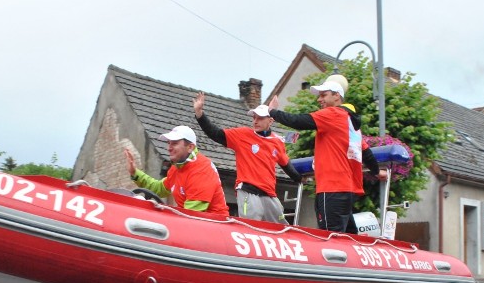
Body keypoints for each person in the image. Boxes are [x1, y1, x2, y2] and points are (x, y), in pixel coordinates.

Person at [268, 81, 384, 233]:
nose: (319, 99)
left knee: (330, 238)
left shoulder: (334, 114)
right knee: (348, 238)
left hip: (332, 188)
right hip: (347, 190)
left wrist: (272, 112)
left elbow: (298, 121)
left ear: (337, 96)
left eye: (324, 95)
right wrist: (376, 172)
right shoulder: (351, 124)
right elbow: (367, 153)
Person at [193, 92, 304, 223]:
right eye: (254, 117)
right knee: (252, 224)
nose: (256, 121)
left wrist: (301, 179)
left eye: (260, 118)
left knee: (282, 227)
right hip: (248, 191)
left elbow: (286, 165)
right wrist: (200, 114)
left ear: (271, 120)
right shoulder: (243, 134)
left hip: (269, 194)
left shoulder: (277, 141)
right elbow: (215, 134)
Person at [125, 124, 228, 215]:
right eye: (169, 143)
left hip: (214, 226)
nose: (169, 148)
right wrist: (135, 173)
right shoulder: (177, 168)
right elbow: (159, 188)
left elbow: (191, 214)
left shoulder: (201, 171)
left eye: (174, 143)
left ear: (190, 147)